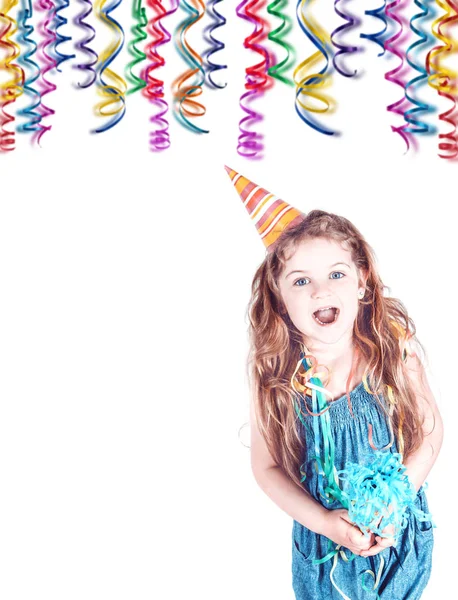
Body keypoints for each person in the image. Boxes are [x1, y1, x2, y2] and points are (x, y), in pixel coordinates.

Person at [225, 166, 444, 599]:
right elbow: (265, 469)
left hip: (399, 534)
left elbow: (431, 434)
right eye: (301, 281)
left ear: (362, 281)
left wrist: (396, 500)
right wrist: (326, 523)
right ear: (280, 300)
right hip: (324, 550)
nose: (320, 290)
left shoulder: (394, 351)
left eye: (336, 274)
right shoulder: (275, 376)